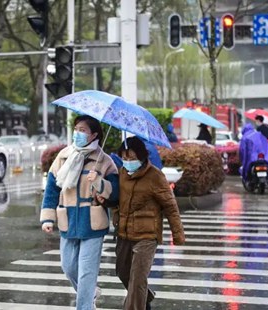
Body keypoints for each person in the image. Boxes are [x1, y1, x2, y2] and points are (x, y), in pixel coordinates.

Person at [40, 115, 119, 310]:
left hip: (92, 222)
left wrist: (99, 182)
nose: (78, 133)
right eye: (77, 129)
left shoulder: (105, 161)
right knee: (68, 267)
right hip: (68, 220)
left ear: (94, 135)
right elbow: (52, 188)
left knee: (86, 272)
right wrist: (47, 218)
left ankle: (85, 306)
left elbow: (115, 193)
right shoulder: (64, 156)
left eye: (83, 130)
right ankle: (90, 292)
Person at [107, 136, 185, 310]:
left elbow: (170, 206)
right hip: (124, 233)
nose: (128, 162)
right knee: (122, 272)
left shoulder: (155, 176)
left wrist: (177, 234)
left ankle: (135, 304)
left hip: (147, 235)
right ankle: (144, 297)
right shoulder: (122, 173)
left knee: (137, 279)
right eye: (125, 158)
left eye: (132, 158)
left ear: (142, 157)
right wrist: (100, 196)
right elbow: (115, 199)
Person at [239, 124, 268, 193]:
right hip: (264, 158)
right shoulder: (259, 135)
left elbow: (243, 150)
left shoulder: (245, 137)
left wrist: (242, 159)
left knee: (248, 170)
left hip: (252, 160)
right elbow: (266, 146)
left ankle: (251, 184)